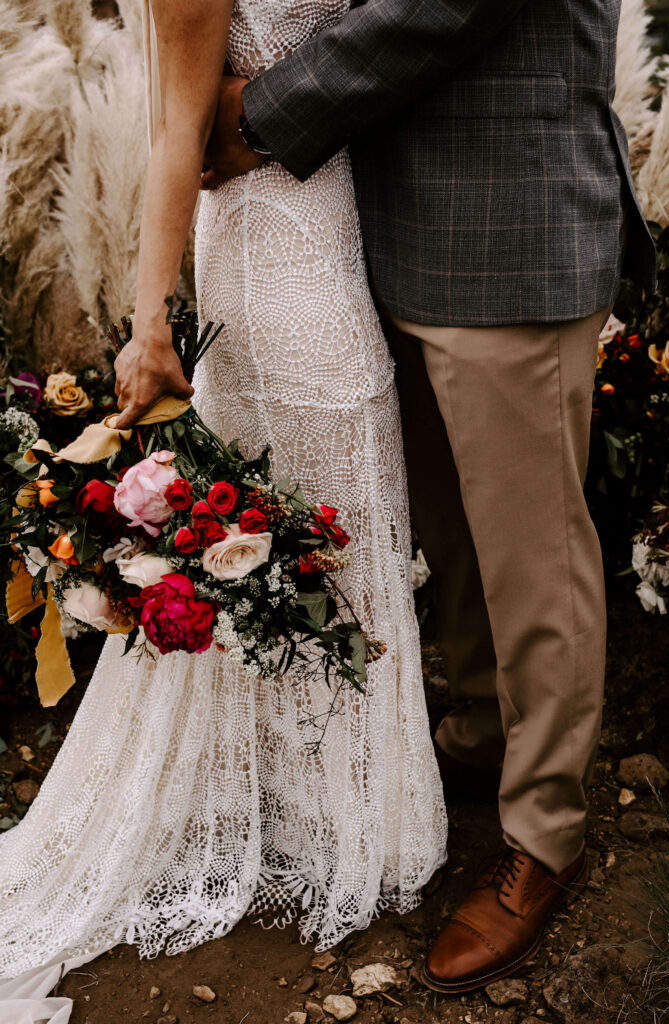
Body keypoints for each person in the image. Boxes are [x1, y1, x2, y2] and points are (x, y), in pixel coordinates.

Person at [0, 1, 448, 1020]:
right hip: (277, 257)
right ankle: (338, 818)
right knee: (313, 525)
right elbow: (175, 130)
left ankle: (324, 807)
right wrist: (148, 322)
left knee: (325, 530)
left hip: (336, 225)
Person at [200, 0, 657, 994]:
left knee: (534, 554)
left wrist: (264, 110)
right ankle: (485, 733)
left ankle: (544, 831)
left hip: (509, 218)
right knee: (454, 535)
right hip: (396, 225)